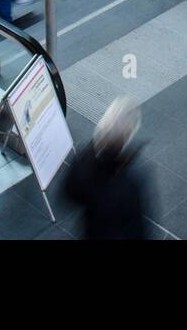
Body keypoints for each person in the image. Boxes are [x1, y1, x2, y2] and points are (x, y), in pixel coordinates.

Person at [62, 97, 150, 241]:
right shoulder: (130, 182)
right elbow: (138, 229)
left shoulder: (84, 163)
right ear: (127, 138)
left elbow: (69, 193)